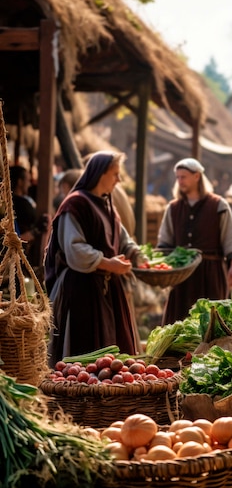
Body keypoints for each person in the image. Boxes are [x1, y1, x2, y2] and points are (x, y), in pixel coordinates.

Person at [44, 150, 148, 365]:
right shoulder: (75, 205)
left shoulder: (107, 204)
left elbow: (122, 237)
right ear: (100, 173)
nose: (118, 180)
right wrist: (107, 263)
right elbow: (75, 249)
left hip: (108, 288)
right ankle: (77, 395)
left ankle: (111, 394)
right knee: (84, 353)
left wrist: (136, 254)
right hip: (81, 288)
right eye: (115, 174)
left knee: (114, 349)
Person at [157, 157, 232, 325]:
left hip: (211, 274)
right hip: (182, 276)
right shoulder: (173, 208)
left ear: (197, 177)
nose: (180, 181)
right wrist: (163, 267)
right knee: (180, 322)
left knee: (212, 324)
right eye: (178, 177)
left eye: (184, 177)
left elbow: (230, 238)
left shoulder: (218, 205)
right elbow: (165, 241)